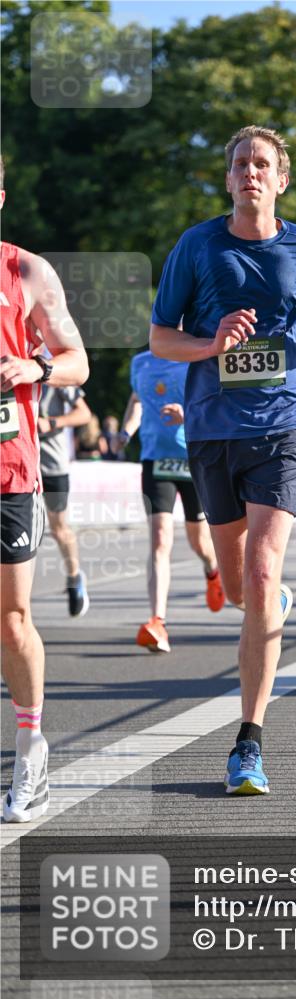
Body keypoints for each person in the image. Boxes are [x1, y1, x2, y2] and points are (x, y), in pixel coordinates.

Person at [150, 125, 296, 794]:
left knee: (261, 575)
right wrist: (210, 344)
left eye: (262, 163)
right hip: (214, 427)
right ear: (228, 179)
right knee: (238, 591)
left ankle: (247, 745)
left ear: (280, 180)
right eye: (240, 164)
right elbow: (159, 338)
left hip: (292, 421)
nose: (251, 172)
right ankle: (263, 600)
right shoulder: (196, 246)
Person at [1, 158, 89, 822]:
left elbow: (77, 358)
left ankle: (31, 751)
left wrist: (31, 364)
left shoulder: (26, 270)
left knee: (11, 619)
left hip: (8, 465)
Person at [115, 350, 225, 653]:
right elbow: (136, 401)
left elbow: (216, 404)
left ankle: (212, 568)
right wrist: (126, 431)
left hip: (192, 459)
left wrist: (187, 415)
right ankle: (157, 621)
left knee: (198, 541)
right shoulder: (140, 362)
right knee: (160, 540)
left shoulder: (196, 358)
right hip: (155, 461)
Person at [38, 380, 92, 616]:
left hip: (52, 466)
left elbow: (84, 414)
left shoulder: (54, 375)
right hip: (18, 465)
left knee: (58, 527)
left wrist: (51, 423)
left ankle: (74, 577)